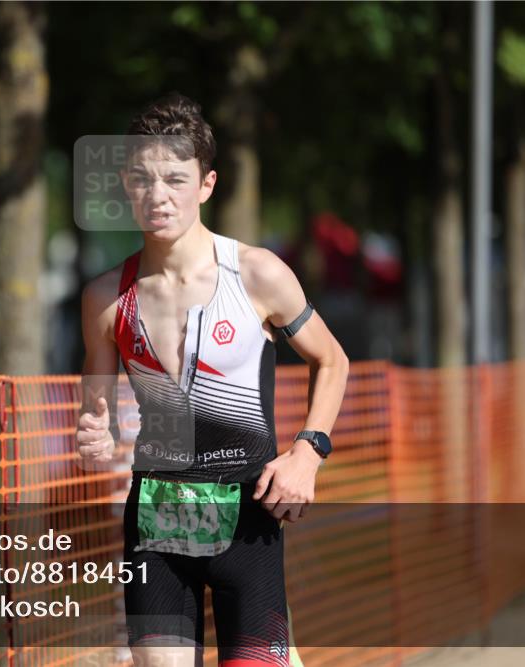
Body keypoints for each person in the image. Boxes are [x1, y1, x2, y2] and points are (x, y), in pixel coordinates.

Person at [77, 93, 349, 666]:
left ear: (206, 184)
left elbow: (332, 360)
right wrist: (96, 432)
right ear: (126, 185)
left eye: (175, 179)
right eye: (143, 179)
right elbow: (97, 409)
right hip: (157, 521)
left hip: (249, 518)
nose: (158, 195)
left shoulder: (256, 274)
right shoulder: (105, 298)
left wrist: (308, 453)